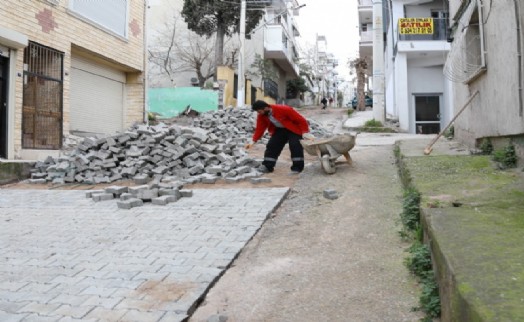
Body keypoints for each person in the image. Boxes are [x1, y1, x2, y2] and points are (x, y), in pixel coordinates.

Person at [245, 100, 312, 174]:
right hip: (279, 130)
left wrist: (305, 132)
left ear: (266, 108)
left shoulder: (284, 109)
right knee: (272, 145)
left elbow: (301, 120)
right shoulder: (262, 116)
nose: (259, 113)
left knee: (295, 145)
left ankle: (297, 168)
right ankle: (268, 166)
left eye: (259, 111)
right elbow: (260, 128)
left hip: (293, 129)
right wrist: (253, 140)